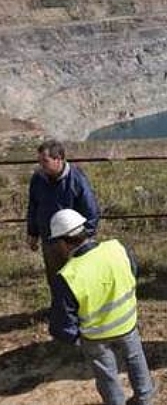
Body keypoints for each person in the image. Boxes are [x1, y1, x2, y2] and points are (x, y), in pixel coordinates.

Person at [48, 209, 154, 405]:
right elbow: (133, 271)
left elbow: (63, 322)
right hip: (128, 322)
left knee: (107, 376)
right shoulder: (117, 248)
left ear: (64, 241)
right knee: (136, 359)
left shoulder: (68, 276)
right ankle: (145, 398)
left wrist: (75, 338)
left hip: (96, 336)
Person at [26, 139, 100, 298]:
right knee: (55, 279)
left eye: (45, 161)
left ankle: (81, 310)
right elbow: (33, 206)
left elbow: (91, 212)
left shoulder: (77, 179)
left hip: (72, 242)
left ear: (58, 159)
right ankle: (60, 309)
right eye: (39, 161)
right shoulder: (38, 179)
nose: (41, 165)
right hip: (50, 240)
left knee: (78, 277)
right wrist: (33, 233)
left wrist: (82, 240)